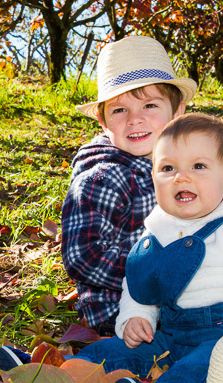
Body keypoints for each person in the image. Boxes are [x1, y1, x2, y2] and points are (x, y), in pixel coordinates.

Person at [0, 113, 223, 383]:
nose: (181, 178)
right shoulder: (160, 229)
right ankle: (47, 373)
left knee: (204, 367)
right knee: (118, 349)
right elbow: (139, 281)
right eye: (168, 169)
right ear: (154, 178)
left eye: (198, 167)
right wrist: (135, 316)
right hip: (171, 330)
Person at [58, 35, 197, 335]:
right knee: (207, 328)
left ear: (177, 112)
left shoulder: (180, 169)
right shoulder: (103, 178)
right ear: (103, 120)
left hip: (180, 292)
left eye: (149, 105)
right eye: (120, 110)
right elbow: (84, 255)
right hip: (119, 308)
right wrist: (155, 269)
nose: (135, 119)